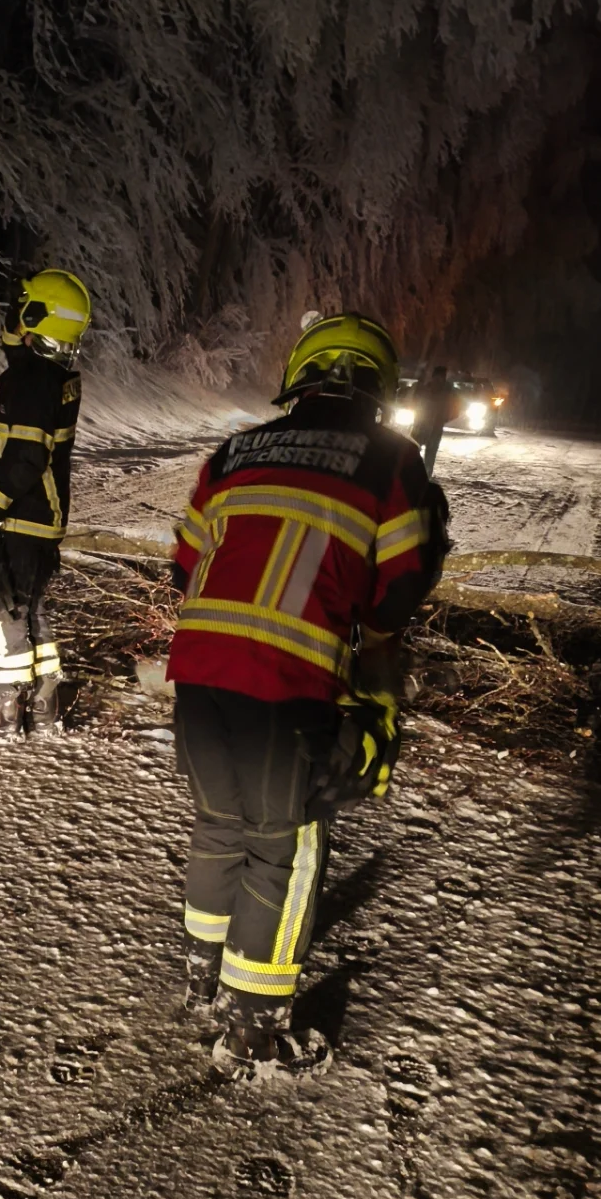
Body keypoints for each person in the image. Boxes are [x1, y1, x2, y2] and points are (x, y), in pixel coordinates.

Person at [167, 314, 448, 1079]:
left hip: (196, 674)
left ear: (304, 374)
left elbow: (184, 564)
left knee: (220, 825)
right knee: (284, 848)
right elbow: (394, 599)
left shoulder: (234, 452)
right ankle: (254, 1029)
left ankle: (202, 976)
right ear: (379, 387)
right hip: (289, 687)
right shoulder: (391, 465)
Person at [0, 270, 90, 737]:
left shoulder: (33, 380)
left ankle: (6, 713)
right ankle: (45, 705)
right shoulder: (50, 374)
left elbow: (25, 458)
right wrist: (17, 321)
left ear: (38, 316)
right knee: (29, 608)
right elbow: (19, 351)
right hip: (42, 517)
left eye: (26, 307)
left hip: (20, 514)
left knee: (2, 610)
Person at [411, 365, 457, 477]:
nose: (439, 380)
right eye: (437, 377)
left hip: (434, 427)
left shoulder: (447, 393)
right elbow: (415, 402)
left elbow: (453, 409)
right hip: (421, 425)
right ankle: (414, 472)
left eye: (441, 377)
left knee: (430, 454)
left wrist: (444, 418)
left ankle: (425, 475)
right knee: (414, 450)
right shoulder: (425, 389)